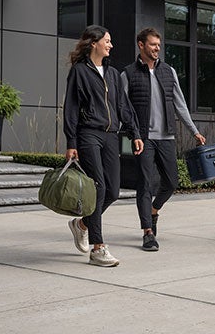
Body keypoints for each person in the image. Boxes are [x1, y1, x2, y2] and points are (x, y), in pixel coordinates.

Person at [64, 25, 144, 267]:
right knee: (98, 187)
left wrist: (134, 132)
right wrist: (71, 141)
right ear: (93, 43)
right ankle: (98, 248)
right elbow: (71, 107)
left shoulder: (112, 73)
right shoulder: (79, 71)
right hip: (88, 134)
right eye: (107, 41)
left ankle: (82, 224)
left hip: (111, 135)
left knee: (112, 191)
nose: (111, 45)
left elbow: (123, 106)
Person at [121, 27, 205, 252]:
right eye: (153, 44)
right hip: (143, 138)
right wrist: (133, 134)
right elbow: (123, 108)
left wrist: (194, 131)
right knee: (145, 184)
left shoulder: (169, 71)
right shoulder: (128, 74)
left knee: (171, 182)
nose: (157, 48)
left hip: (166, 136)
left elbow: (180, 104)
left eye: (159, 45)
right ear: (141, 45)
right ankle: (148, 233)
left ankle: (153, 210)